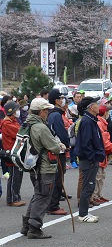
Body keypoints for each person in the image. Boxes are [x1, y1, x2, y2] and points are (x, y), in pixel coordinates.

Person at [22, 98, 66, 238]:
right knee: (43, 197)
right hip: (44, 166)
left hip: (32, 165)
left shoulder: (27, 123)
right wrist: (61, 146)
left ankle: (27, 225)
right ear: (41, 111)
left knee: (38, 195)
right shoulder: (40, 127)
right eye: (46, 110)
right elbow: (53, 146)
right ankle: (34, 228)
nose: (47, 112)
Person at [74, 96, 105, 223]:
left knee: (90, 186)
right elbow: (86, 143)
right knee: (88, 186)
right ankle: (83, 214)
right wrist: (93, 158)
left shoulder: (91, 120)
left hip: (91, 158)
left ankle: (85, 211)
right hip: (88, 159)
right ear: (91, 107)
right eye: (96, 104)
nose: (99, 106)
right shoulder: (87, 121)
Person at [46, 89, 70, 216]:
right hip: (57, 149)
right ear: (56, 100)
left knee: (56, 177)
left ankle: (52, 204)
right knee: (58, 178)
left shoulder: (52, 113)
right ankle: (53, 205)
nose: (63, 100)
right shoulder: (55, 115)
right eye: (61, 98)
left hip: (54, 148)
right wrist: (67, 144)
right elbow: (61, 133)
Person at [1, 101, 25, 207]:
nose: (18, 111)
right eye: (16, 109)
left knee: (17, 176)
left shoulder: (13, 121)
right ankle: (12, 199)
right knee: (14, 176)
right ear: (11, 111)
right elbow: (19, 132)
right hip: (12, 152)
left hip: (16, 152)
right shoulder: (7, 123)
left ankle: (16, 197)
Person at [93, 105, 112, 203]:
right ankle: (95, 195)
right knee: (98, 175)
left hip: (102, 153)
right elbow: (104, 140)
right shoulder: (99, 124)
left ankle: (99, 194)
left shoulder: (102, 123)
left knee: (101, 175)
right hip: (100, 152)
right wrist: (110, 146)